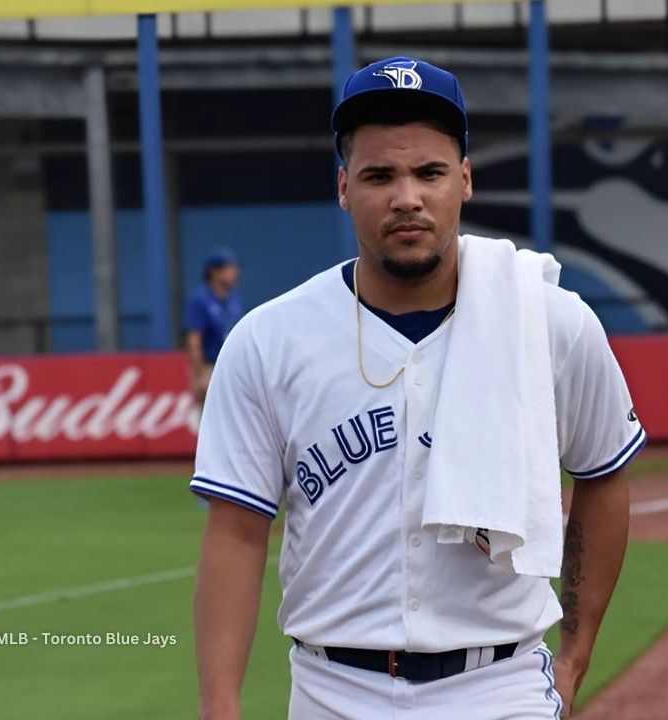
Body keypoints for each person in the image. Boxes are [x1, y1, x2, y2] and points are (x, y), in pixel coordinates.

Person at [191, 56, 643, 720]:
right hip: (330, 688)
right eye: (379, 175)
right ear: (344, 187)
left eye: (429, 172)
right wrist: (219, 706)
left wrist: (573, 658)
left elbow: (603, 472)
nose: (407, 196)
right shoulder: (269, 340)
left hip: (499, 684)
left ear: (463, 181)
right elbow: (235, 531)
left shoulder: (549, 321)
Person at [184, 248, 244, 409]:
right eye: (228, 269)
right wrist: (199, 372)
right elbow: (194, 338)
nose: (234, 273)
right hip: (210, 365)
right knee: (210, 416)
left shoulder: (234, 299)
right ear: (214, 272)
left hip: (233, 366)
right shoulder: (201, 299)